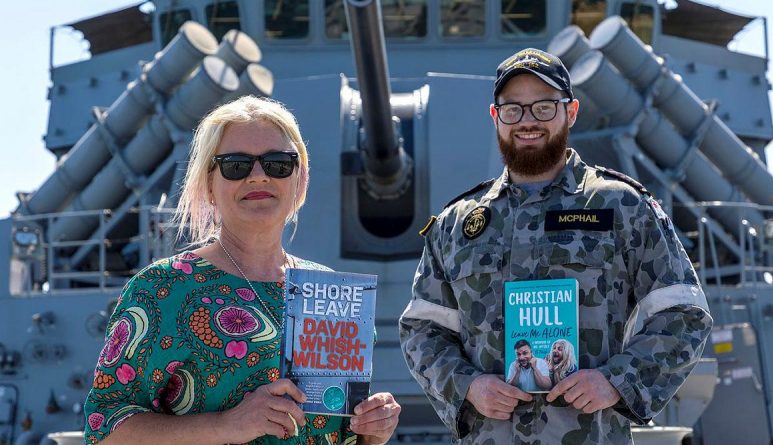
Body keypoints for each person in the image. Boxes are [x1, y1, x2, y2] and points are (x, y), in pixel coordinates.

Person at [399, 48, 712, 443]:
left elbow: (685, 314)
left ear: (571, 112)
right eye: (513, 109)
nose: (528, 121)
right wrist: (468, 386)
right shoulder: (457, 224)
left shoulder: (622, 206)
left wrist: (616, 382)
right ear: (496, 117)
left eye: (544, 107)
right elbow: (422, 330)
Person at [84, 96, 400, 445]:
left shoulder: (330, 291)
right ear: (208, 184)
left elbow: (336, 433)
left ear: (301, 179)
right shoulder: (162, 289)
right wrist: (226, 425)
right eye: (236, 165)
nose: (258, 176)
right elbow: (103, 430)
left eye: (279, 163)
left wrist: (371, 430)